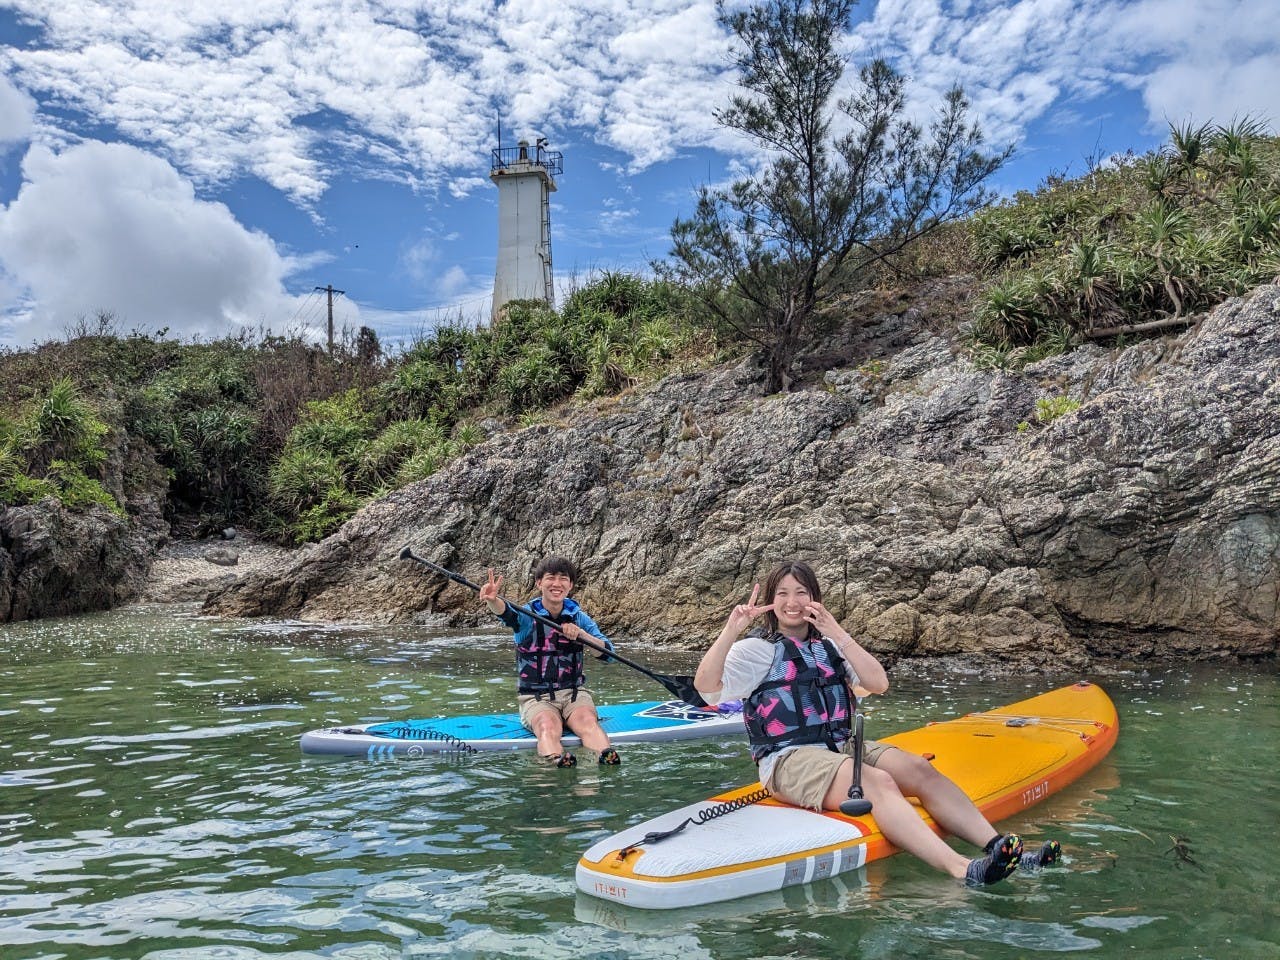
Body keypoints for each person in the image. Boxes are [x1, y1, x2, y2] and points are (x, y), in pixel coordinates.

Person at [694, 560, 1060, 886]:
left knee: (918, 769)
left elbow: (877, 683)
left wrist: (838, 632)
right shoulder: (756, 651)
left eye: (801, 593)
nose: (792, 602)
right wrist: (732, 629)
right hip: (790, 760)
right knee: (878, 782)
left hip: (841, 747)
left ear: (814, 598)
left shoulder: (830, 647)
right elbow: (707, 688)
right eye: (783, 593)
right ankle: (963, 869)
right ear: (771, 601)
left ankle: (1001, 850)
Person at [478, 557, 621, 768]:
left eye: (563, 579)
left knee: (588, 723)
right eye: (550, 578)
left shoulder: (580, 618)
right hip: (536, 698)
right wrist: (492, 600)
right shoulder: (526, 616)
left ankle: (607, 756)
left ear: (570, 585)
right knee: (547, 727)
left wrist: (582, 635)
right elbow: (507, 613)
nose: (557, 584)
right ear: (539, 583)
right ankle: (557, 760)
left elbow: (608, 654)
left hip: (574, 694)